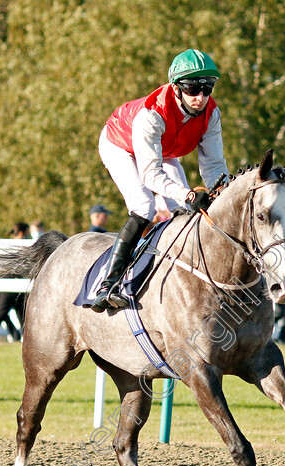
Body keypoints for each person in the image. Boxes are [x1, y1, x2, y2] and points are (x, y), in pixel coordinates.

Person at [92, 48, 229, 312]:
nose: (200, 97)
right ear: (176, 87)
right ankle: (108, 284)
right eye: (192, 89)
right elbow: (151, 175)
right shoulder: (152, 114)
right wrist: (187, 194)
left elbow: (213, 167)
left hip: (164, 151)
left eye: (207, 89)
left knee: (187, 210)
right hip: (120, 145)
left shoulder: (212, 113)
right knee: (145, 206)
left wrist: (220, 190)